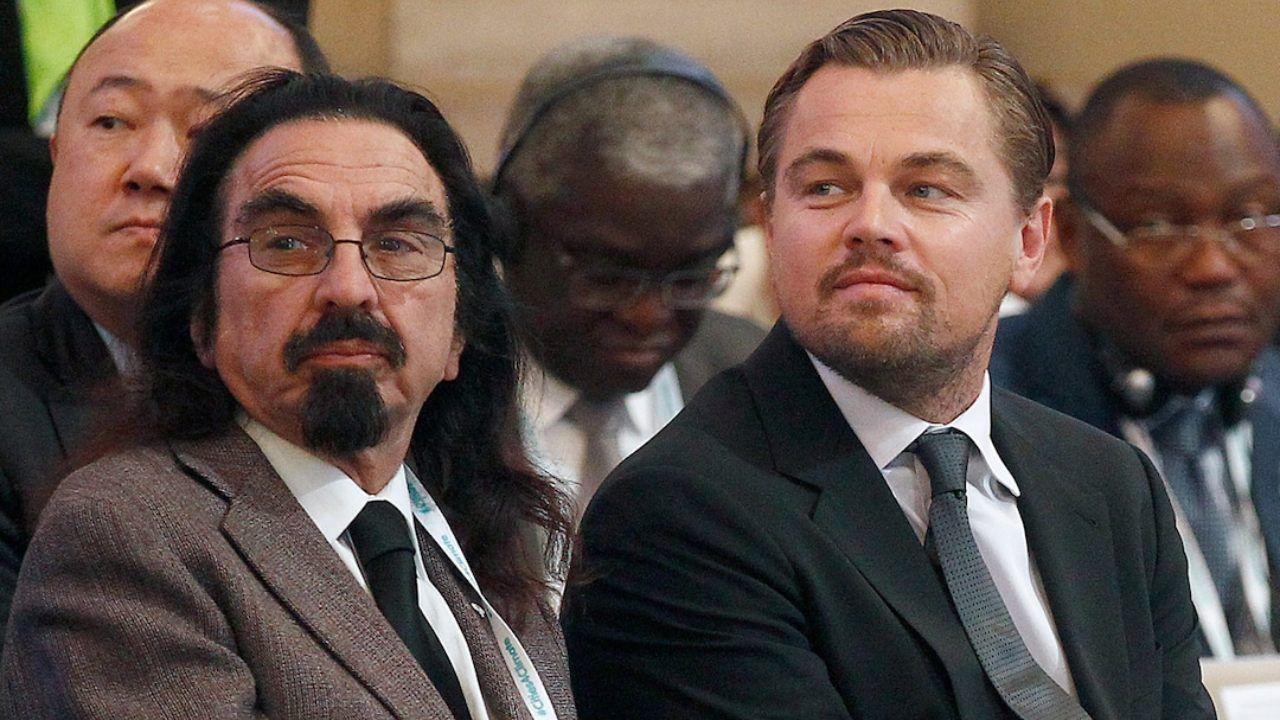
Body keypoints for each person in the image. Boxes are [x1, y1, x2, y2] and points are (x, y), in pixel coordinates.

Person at [562, 10, 1213, 720]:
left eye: (926, 189)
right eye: (825, 188)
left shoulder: (1112, 486)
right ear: (770, 228)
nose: (870, 224)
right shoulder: (677, 516)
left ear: (1029, 240)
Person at [1, 69, 576, 720]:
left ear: (459, 332)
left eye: (396, 244)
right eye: (288, 243)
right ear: (201, 315)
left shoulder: (480, 540)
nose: (349, 288)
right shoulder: (128, 533)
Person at [0, 0, 327, 634]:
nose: (150, 169)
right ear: (57, 151)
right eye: (111, 120)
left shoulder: (372, 383)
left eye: (208, 132)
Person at [992, 58, 1280, 658]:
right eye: (1157, 225)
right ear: (1072, 235)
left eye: (1251, 218)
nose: (1213, 267)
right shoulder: (989, 411)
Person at [491, 36, 765, 515]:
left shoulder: (759, 386)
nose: (647, 316)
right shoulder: (425, 406)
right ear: (507, 229)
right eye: (609, 278)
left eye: (690, 279)